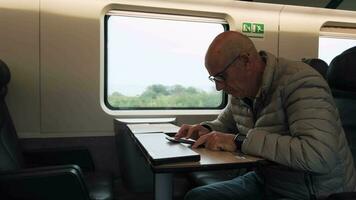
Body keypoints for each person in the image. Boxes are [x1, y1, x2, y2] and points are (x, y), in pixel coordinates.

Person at [175, 31, 356, 200]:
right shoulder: (241, 91)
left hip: (312, 192)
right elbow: (224, 123)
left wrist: (239, 141)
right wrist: (205, 129)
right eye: (214, 79)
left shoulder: (301, 83)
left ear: (246, 61)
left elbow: (319, 156)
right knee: (198, 197)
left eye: (221, 77)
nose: (218, 87)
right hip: (268, 180)